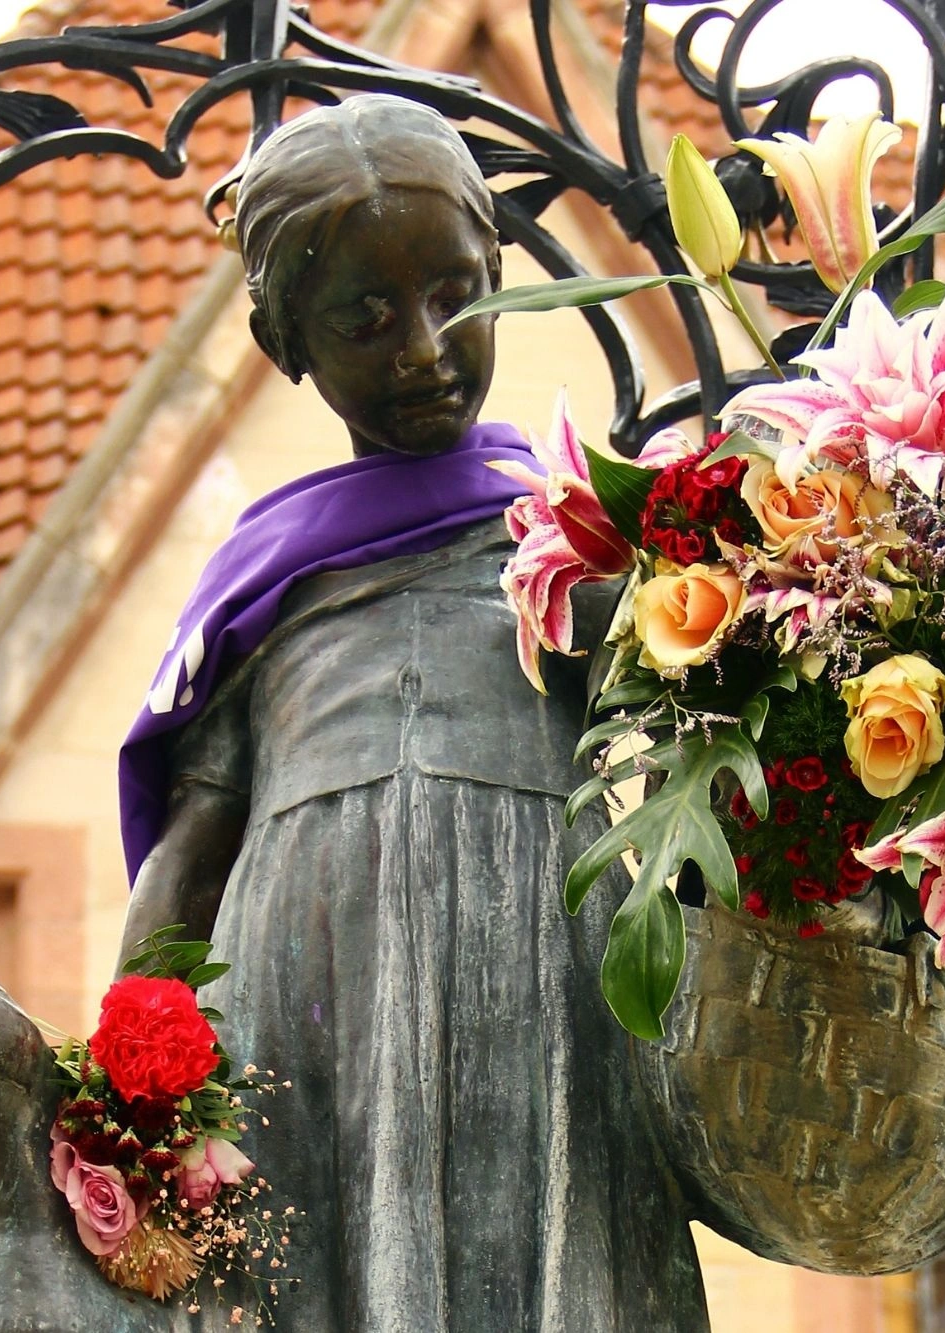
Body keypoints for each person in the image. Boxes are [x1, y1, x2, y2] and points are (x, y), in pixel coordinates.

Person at [117, 95, 709, 1331]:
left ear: (498, 275)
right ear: (287, 338)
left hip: (541, 994)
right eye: (366, 317)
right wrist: (136, 1079)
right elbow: (190, 852)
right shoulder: (265, 583)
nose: (422, 349)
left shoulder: (582, 542)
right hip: (311, 1013)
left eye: (451, 296)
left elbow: (709, 775)